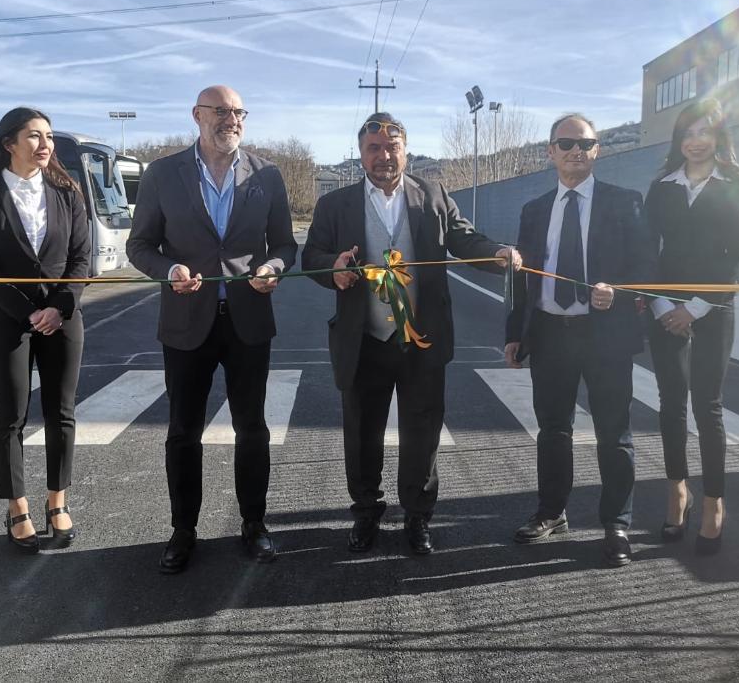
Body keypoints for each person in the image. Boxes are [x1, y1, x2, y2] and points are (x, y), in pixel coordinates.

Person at [302, 112, 519, 556]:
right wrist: (334, 270)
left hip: (422, 340)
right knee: (362, 433)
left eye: (392, 147)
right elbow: (313, 257)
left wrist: (496, 253)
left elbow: (463, 238)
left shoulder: (434, 195)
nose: (384, 156)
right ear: (361, 153)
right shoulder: (335, 204)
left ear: (406, 148)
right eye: (374, 148)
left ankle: (418, 516)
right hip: (364, 340)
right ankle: (366, 513)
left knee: (423, 432)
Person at [127, 85, 297, 574]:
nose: (232, 119)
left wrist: (275, 267)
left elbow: (285, 243)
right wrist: (170, 271)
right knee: (183, 431)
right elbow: (141, 247)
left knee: (252, 429)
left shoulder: (267, 174)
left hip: (248, 319)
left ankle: (254, 524)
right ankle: (183, 530)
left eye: (239, 111)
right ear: (196, 116)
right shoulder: (163, 173)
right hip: (185, 323)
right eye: (221, 111)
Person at [505, 112, 653, 567]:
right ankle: (552, 512)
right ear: (550, 152)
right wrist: (514, 335)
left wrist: (620, 292)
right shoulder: (533, 211)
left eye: (585, 144)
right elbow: (521, 280)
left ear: (597, 151)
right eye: (566, 143)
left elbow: (646, 270)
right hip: (550, 334)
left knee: (615, 433)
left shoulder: (626, 202)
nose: (576, 151)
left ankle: (617, 523)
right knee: (553, 431)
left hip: (605, 334)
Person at [0, 107, 90, 554]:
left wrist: (59, 308)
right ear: (8, 143)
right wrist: (26, 312)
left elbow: (80, 259)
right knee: (10, 416)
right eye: (34, 136)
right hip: (9, 321)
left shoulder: (67, 191)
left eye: (49, 136)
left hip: (64, 318)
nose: (45, 144)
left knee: (62, 413)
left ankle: (58, 502)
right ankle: (18, 507)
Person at [644, 97, 739, 555]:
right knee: (670, 403)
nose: (695, 142)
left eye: (704, 133)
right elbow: (647, 251)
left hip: (713, 309)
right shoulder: (662, 187)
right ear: (679, 139)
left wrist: (693, 309)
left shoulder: (736, 185)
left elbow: (735, 258)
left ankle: (713, 502)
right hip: (663, 309)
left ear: (718, 137)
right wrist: (661, 306)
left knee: (707, 408)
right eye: (687, 133)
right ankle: (678, 493)